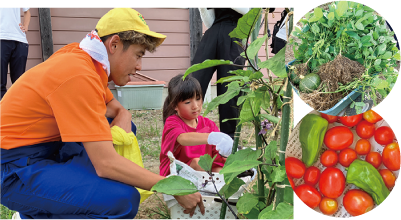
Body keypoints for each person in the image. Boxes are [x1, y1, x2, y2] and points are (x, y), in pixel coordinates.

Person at [0, 7, 204, 220]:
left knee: (120, 127)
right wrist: (172, 186)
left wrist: (124, 114)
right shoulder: (78, 73)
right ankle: (33, 214)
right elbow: (106, 164)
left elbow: (113, 107)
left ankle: (43, 205)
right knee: (122, 201)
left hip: (41, 148)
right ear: (114, 44)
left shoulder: (85, 59)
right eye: (138, 55)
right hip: (11, 168)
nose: (139, 66)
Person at [190, 7, 249, 140]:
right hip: (214, 31)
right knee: (195, 80)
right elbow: (210, 21)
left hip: (234, 32)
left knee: (230, 88)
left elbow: (246, 10)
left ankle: (229, 140)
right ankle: (184, 130)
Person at [159, 74, 233, 177]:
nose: (195, 106)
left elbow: (217, 158)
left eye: (198, 99)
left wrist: (229, 153)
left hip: (203, 174)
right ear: (174, 105)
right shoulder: (172, 122)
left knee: (222, 171)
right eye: (188, 102)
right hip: (175, 176)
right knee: (198, 163)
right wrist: (212, 137)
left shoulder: (209, 125)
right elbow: (182, 138)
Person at [0, 7, 30, 100]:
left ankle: (18, 111)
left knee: (19, 83)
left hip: (19, 40)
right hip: (1, 37)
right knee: (0, 83)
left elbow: (27, 12)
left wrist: (26, 26)